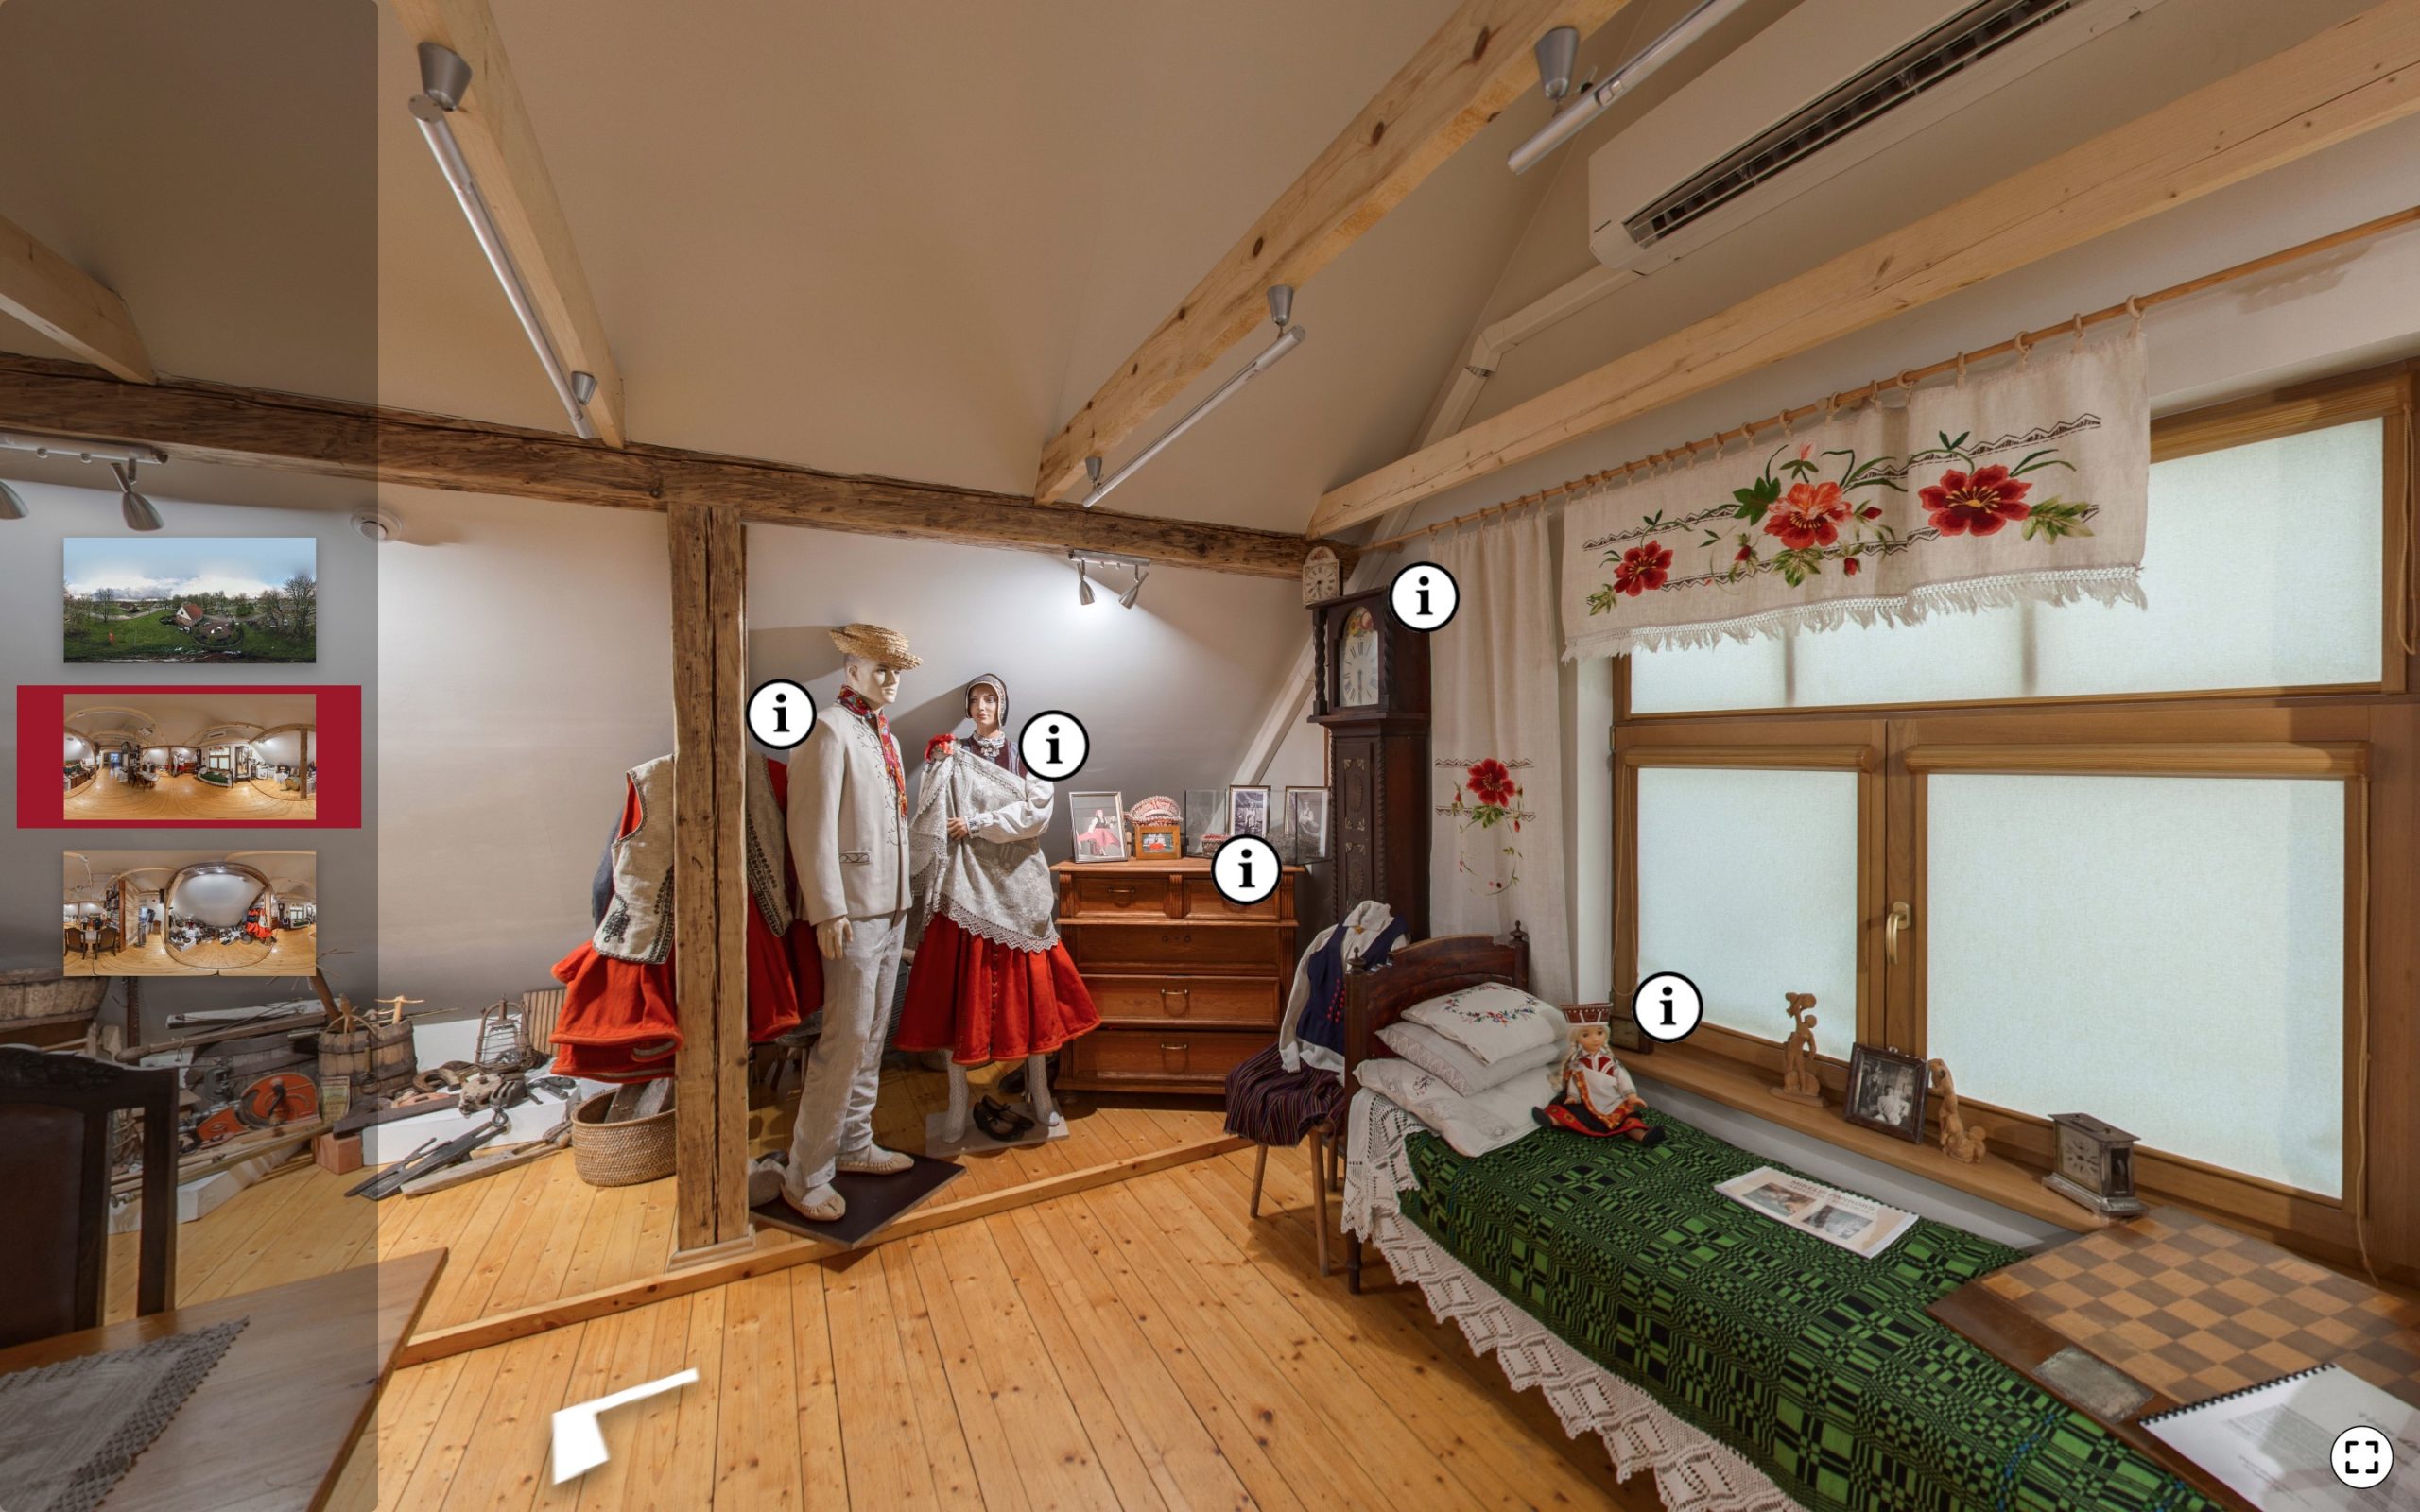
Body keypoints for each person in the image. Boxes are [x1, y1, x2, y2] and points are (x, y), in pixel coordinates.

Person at [895, 674, 1099, 1144]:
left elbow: (1037, 816)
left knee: (1030, 995)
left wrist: (978, 822)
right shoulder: (953, 754)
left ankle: (1040, 1093)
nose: (983, 706)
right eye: (975, 700)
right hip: (964, 885)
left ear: (1003, 705)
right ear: (967, 708)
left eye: (991, 699)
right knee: (958, 995)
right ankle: (957, 1102)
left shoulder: (1029, 754)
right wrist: (937, 766)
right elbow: (932, 814)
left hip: (1017, 885)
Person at [783, 624, 922, 1223]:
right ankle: (805, 1173)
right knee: (843, 1042)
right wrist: (827, 908)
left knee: (871, 1037)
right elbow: (809, 823)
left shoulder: (882, 734)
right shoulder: (828, 728)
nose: (891, 679)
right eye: (881, 667)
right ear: (852, 670)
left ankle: (855, 1142)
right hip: (853, 910)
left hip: (891, 904)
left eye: (897, 670)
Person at [1537, 1013, 1664, 1143]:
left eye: (1599, 1033)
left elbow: (1623, 1079)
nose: (1595, 1039)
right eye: (1586, 1035)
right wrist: (1573, 1096)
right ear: (1577, 1038)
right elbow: (1575, 1082)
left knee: (1628, 1119)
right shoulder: (1578, 1063)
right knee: (1572, 1112)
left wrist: (1631, 1096)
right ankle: (1553, 1120)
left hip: (1612, 1101)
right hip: (1587, 1102)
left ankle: (1642, 1136)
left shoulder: (1611, 1062)